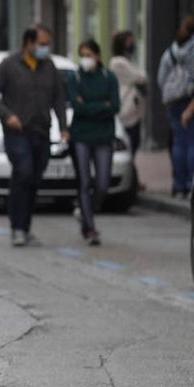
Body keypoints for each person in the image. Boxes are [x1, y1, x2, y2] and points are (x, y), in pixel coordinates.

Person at [0, 24, 69, 247]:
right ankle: (17, 227)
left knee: (33, 178)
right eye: (41, 44)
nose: (45, 49)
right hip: (17, 132)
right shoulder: (9, 65)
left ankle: (26, 225)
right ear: (28, 43)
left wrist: (63, 127)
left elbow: (59, 98)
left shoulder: (49, 67)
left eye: (47, 44)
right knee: (24, 170)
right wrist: (7, 115)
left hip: (41, 131)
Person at [66, 40, 120, 245]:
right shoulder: (74, 77)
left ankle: (85, 209)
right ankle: (90, 228)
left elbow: (114, 105)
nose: (86, 59)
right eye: (82, 55)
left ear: (98, 56)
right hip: (81, 136)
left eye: (89, 54)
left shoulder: (109, 77)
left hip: (104, 136)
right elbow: (78, 108)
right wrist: (100, 106)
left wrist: (89, 106)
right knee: (85, 181)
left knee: (103, 183)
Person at [157, 16, 194, 198]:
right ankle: (193, 184)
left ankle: (178, 184)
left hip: (174, 102)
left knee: (179, 142)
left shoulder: (171, 52)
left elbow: (161, 79)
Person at [108, 30, 148, 170]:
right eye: (129, 41)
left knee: (134, 141)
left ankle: (133, 175)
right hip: (126, 107)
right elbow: (141, 78)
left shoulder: (128, 60)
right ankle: (131, 175)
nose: (133, 44)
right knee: (130, 142)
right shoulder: (118, 62)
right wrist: (141, 78)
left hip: (134, 107)